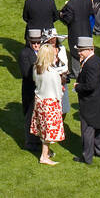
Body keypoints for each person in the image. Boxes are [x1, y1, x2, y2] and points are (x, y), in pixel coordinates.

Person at [31, 36, 68, 165]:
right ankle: (44, 156)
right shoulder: (52, 73)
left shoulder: (36, 68)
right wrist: (62, 91)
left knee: (42, 129)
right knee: (49, 132)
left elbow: (36, 82)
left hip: (40, 101)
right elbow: (58, 92)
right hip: (50, 103)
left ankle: (46, 152)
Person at [73, 36, 100, 164]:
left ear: (90, 49)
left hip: (89, 102)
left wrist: (78, 87)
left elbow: (90, 85)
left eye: (81, 50)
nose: (79, 53)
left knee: (87, 130)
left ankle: (87, 157)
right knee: (99, 127)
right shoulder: (96, 60)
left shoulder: (91, 64)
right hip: (98, 100)